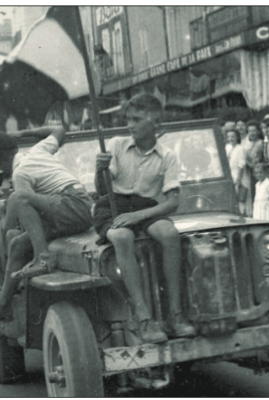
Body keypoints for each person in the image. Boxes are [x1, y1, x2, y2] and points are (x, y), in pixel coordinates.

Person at [94, 93, 195, 343]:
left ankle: (175, 315)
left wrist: (136, 215)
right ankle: (144, 318)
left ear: (156, 123)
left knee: (170, 234)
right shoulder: (117, 145)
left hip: (144, 207)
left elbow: (172, 202)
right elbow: (102, 190)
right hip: (112, 206)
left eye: (137, 119)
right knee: (121, 235)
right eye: (128, 119)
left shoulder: (168, 156)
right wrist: (100, 169)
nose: (130, 125)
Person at [0, 126, 93, 321]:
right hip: (73, 208)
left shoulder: (20, 174)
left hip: (72, 204)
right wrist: (22, 134)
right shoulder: (39, 149)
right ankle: (3, 304)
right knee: (17, 245)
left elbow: (25, 215)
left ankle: (43, 259)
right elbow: (59, 130)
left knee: (20, 199)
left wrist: (9, 226)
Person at [225, 129, 251, 216]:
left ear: (237, 137)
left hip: (239, 176)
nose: (230, 138)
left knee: (241, 200)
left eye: (232, 136)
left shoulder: (240, 148)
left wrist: (239, 179)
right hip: (230, 175)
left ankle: (243, 215)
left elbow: (241, 165)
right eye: (228, 136)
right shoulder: (227, 147)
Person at [244, 120, 264, 206]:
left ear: (258, 131)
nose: (252, 133)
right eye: (250, 131)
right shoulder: (245, 143)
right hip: (247, 172)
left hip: (258, 172)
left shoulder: (261, 143)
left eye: (254, 131)